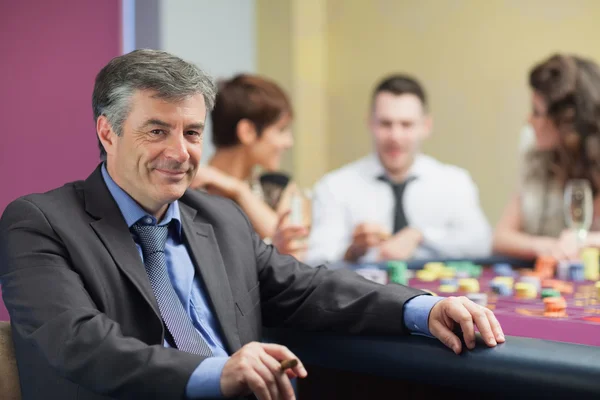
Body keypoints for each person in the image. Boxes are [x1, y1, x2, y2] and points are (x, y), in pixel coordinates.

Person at [0, 50, 504, 400]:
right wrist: (217, 372)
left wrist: (423, 308)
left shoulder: (218, 218)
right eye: (157, 130)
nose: (180, 153)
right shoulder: (40, 223)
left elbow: (308, 288)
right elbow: (82, 344)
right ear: (107, 132)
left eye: (192, 132)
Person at [306, 75, 492, 266]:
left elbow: (481, 243)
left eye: (406, 124)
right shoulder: (335, 186)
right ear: (371, 123)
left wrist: (420, 236)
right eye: (386, 124)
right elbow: (315, 259)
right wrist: (351, 251)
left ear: (426, 126)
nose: (395, 136)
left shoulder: (455, 182)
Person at [493, 54, 600, 261]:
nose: (529, 119)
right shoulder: (535, 153)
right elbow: (501, 237)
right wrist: (548, 246)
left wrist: (587, 241)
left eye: (537, 111)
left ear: (567, 121)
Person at [191, 74, 309, 260]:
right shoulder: (191, 192)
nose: (289, 142)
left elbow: (294, 257)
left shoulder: (279, 187)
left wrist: (239, 190)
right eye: (281, 130)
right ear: (247, 131)